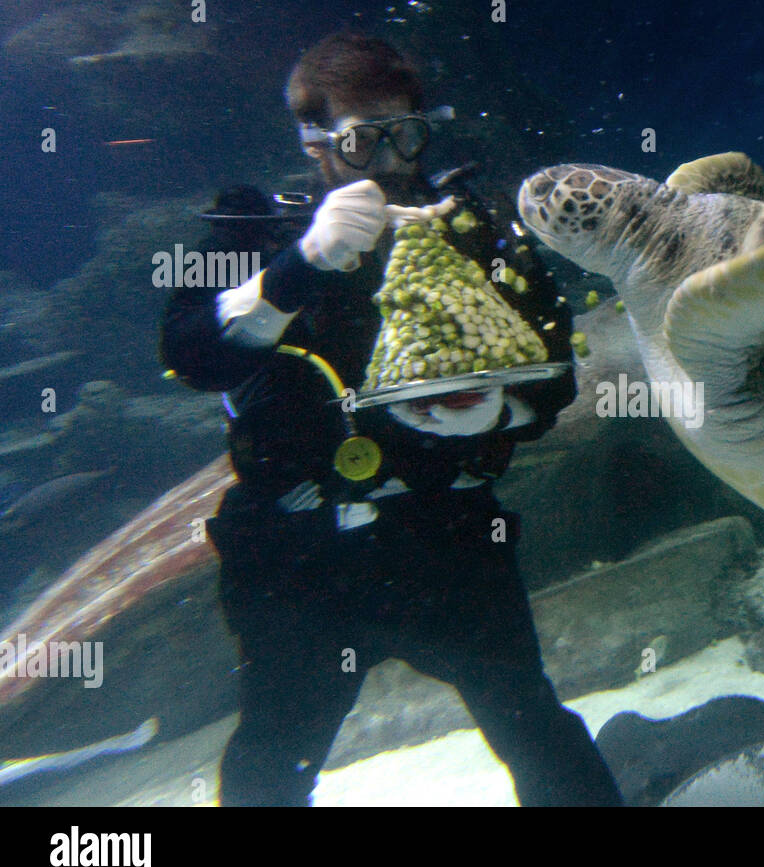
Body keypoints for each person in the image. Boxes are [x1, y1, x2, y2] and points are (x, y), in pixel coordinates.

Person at [160, 32, 622, 806]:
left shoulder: (473, 231)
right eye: (360, 139)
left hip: (445, 536)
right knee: (274, 754)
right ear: (313, 141)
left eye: (405, 133)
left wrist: (495, 408)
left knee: (530, 721)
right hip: (297, 557)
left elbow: (553, 370)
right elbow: (188, 356)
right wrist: (294, 269)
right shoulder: (252, 236)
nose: (389, 159)